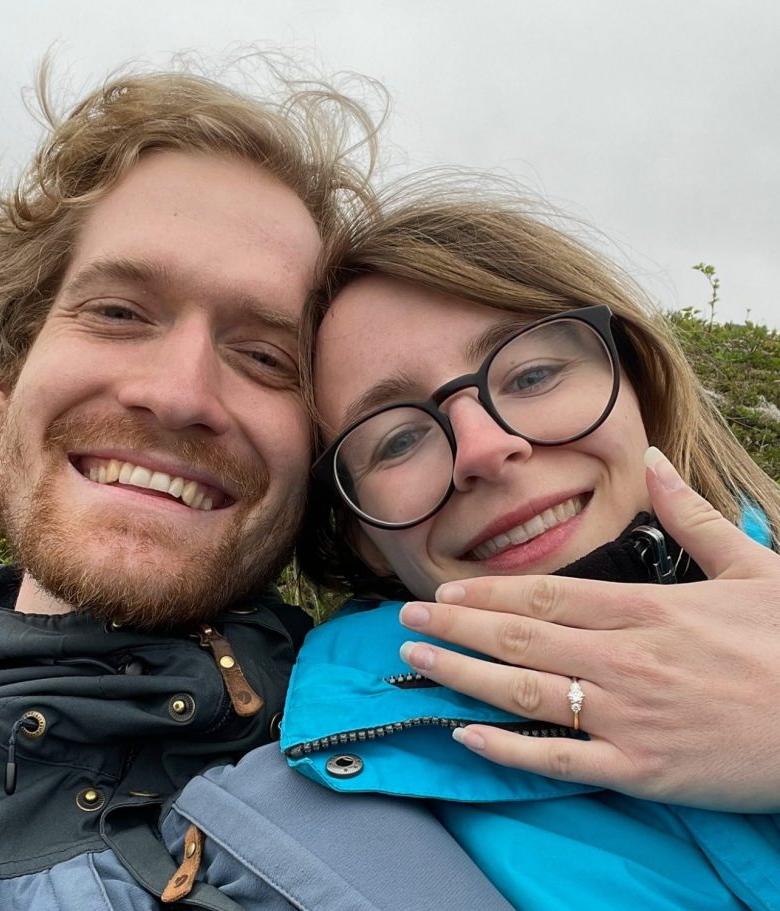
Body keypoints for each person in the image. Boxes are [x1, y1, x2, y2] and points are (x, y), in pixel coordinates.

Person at [0, 60, 395, 910]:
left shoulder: (442, 735)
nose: (180, 394)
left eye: (267, 357)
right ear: (6, 381)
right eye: (117, 312)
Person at [268, 189, 780, 908]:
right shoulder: (304, 827)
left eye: (533, 375)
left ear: (638, 388)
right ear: (362, 536)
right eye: (399, 439)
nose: (483, 447)